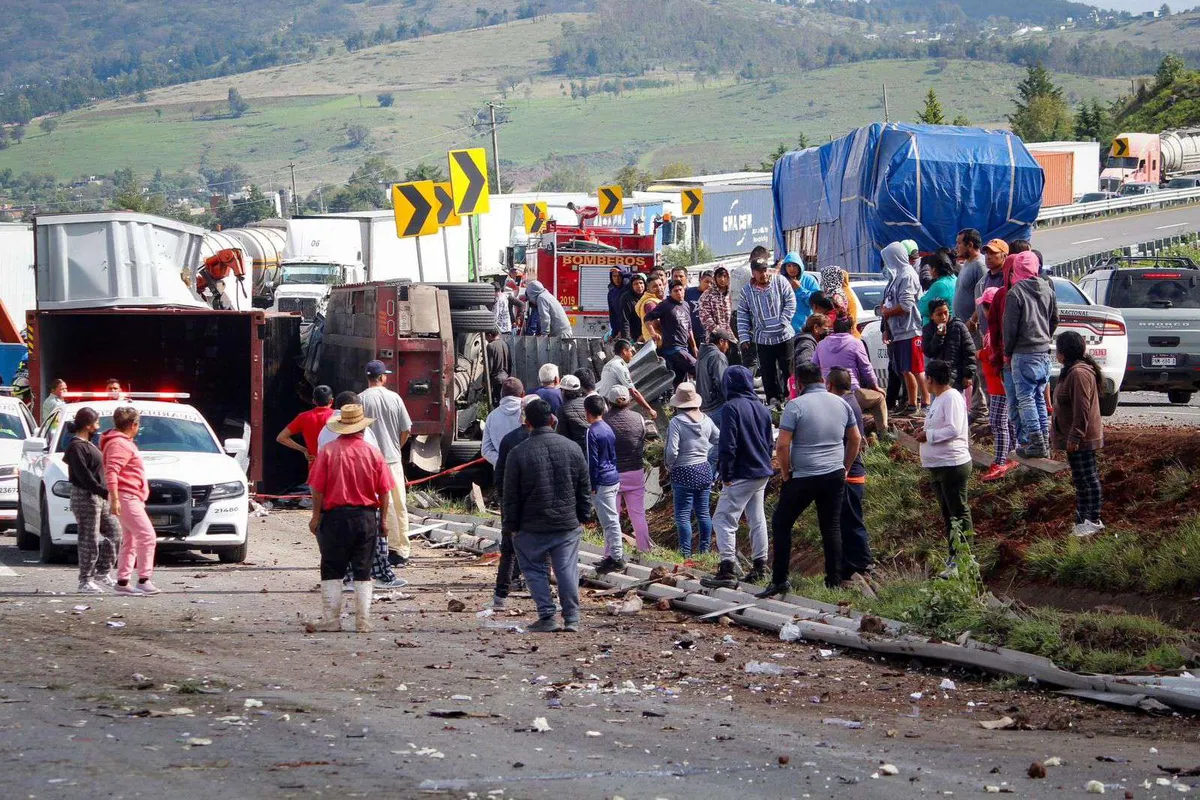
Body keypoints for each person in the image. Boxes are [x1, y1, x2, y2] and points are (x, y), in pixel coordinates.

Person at [758, 363, 861, 597]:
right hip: (834, 474)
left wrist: (785, 473)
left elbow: (782, 445)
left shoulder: (795, 406)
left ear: (799, 384)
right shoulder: (841, 403)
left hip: (804, 475)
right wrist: (845, 467)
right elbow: (855, 438)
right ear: (823, 380)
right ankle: (833, 581)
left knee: (782, 523)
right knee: (831, 526)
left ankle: (780, 579)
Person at [502, 398, 592, 633]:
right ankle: (572, 618)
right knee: (566, 569)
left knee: (534, 570)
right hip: (566, 524)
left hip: (530, 526)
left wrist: (511, 525)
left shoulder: (518, 453)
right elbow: (584, 485)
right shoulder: (573, 448)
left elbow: (510, 495)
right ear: (553, 420)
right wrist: (584, 515)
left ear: (526, 423)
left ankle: (547, 616)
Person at [307, 404, 395, 633]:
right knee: (363, 568)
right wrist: (383, 521)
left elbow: (317, 489)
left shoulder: (327, 452)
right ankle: (363, 621)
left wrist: (315, 516)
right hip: (366, 518)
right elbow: (385, 491)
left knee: (331, 567)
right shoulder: (373, 454)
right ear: (362, 429)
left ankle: (331, 619)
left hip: (334, 519)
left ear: (341, 428)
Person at [701, 365, 774, 589]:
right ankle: (760, 566)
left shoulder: (731, 407)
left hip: (741, 471)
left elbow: (728, 443)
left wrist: (726, 473)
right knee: (757, 518)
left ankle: (727, 569)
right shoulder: (761, 408)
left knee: (723, 519)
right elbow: (769, 441)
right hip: (761, 470)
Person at [915, 359, 972, 578]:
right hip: (939, 465)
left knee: (958, 513)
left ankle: (964, 558)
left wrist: (928, 435)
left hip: (952, 464)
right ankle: (954, 557)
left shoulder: (952, 397)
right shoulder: (939, 398)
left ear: (929, 379)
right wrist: (925, 429)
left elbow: (954, 429)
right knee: (949, 514)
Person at [1002, 250, 1058, 459]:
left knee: (1025, 399)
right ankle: (1044, 440)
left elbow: (1010, 329)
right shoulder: (1047, 288)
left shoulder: (1015, 293)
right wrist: (1045, 337)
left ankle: (1035, 441)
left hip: (1023, 353)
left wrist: (1008, 351)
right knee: (1039, 399)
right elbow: (1054, 319)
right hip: (1043, 352)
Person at [359, 360, 413, 568]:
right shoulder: (395, 398)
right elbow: (406, 429)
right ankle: (401, 549)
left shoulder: (361, 399)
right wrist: (396, 447)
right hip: (391, 459)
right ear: (382, 378)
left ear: (368, 378)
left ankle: (379, 548)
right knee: (398, 504)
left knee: (375, 507)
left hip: (369, 461)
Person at [1052, 331, 1105, 537]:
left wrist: (1075, 436)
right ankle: (1083, 520)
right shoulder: (1071, 371)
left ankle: (1093, 520)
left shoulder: (1079, 374)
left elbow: (1081, 409)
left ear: (1063, 354)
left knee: (1088, 479)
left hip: (1081, 439)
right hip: (1074, 439)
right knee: (1080, 480)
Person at [103, 406, 160, 596]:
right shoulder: (120, 444)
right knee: (147, 536)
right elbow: (112, 472)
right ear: (134, 425)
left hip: (128, 495)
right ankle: (144, 579)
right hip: (126, 495)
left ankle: (123, 580)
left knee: (132, 538)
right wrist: (116, 499)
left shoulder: (120, 442)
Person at [490, 395, 539, 610]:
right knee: (540, 547)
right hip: (537, 501)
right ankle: (538, 591)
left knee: (509, 546)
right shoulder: (548, 439)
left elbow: (499, 475)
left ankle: (502, 594)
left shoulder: (509, 440)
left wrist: (503, 499)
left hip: (512, 501)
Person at [663, 383, 720, 559]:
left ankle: (686, 553)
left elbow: (672, 451)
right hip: (703, 469)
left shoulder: (677, 422)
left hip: (683, 471)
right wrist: (711, 459)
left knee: (683, 515)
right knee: (703, 512)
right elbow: (719, 440)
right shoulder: (706, 419)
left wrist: (669, 466)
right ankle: (705, 551)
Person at [66, 407, 119, 594]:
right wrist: (105, 492)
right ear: (88, 425)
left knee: (115, 531)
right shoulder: (76, 447)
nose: (98, 426)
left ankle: (103, 572)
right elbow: (84, 476)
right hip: (85, 497)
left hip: (98, 496)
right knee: (89, 538)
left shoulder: (89, 444)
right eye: (96, 422)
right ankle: (85, 580)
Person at [826, 367, 873, 579]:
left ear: (830, 385)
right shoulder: (851, 401)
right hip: (851, 471)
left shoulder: (843, 405)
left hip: (850, 473)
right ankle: (851, 562)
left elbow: (856, 440)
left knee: (852, 520)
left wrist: (844, 467)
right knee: (846, 520)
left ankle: (861, 562)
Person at [736, 252, 797, 406]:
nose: (763, 274)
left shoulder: (780, 281)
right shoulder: (746, 291)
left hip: (784, 335)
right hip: (763, 338)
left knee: (787, 370)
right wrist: (744, 337)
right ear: (753, 272)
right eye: (759, 271)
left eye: (765, 270)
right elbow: (742, 315)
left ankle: (790, 398)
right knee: (767, 372)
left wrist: (783, 321)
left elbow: (791, 301)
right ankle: (773, 401)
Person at [812, 314, 888, 436]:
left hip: (827, 393)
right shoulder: (855, 343)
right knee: (879, 398)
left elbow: (813, 367)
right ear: (851, 329)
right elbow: (866, 368)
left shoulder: (821, 344)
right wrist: (875, 386)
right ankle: (883, 434)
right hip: (850, 393)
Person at [603, 385, 651, 553]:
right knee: (638, 514)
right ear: (629, 401)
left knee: (612, 516)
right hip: (635, 472)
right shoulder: (638, 418)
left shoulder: (603, 421)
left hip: (612, 474)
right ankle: (645, 550)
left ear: (608, 402)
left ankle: (611, 552)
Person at [878, 241, 924, 416]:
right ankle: (910, 402)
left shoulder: (907, 275)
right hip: (898, 331)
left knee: (913, 368)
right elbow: (889, 301)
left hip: (909, 329)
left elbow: (905, 305)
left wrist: (887, 312)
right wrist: (886, 322)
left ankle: (919, 403)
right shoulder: (897, 275)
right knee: (904, 369)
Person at [976, 289, 1017, 482]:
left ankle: (1001, 460)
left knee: (998, 423)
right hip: (998, 383)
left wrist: (981, 354)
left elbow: (994, 355)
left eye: (985, 307)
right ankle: (1011, 455)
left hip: (999, 384)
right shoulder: (997, 328)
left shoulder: (996, 331)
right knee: (1007, 421)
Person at [585, 395, 625, 574]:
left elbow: (591, 460)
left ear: (587, 412)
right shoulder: (608, 427)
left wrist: (592, 484)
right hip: (613, 475)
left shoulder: (591, 431)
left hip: (601, 479)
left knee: (610, 521)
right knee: (609, 519)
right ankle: (612, 555)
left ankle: (617, 558)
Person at [645, 279, 698, 386]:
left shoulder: (686, 305)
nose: (679, 293)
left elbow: (689, 328)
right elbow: (647, 319)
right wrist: (653, 333)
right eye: (675, 291)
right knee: (698, 368)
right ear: (670, 293)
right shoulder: (665, 305)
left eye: (680, 290)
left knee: (679, 383)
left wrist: (694, 347)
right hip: (673, 349)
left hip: (684, 348)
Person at [921, 299, 977, 396]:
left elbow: (970, 351)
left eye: (945, 313)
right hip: (937, 378)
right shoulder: (928, 329)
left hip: (956, 377)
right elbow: (929, 352)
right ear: (932, 316)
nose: (943, 317)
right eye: (939, 314)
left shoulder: (958, 326)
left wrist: (968, 375)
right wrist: (939, 336)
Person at [276, 385, 335, 470]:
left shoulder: (303, 417)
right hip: (335, 468)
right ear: (332, 400)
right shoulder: (338, 416)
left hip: (315, 469)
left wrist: (304, 450)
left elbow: (281, 437)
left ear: (314, 401)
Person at [596, 339, 657, 419]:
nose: (632, 354)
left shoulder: (609, 364)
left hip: (603, 403)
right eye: (630, 351)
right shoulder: (620, 367)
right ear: (624, 351)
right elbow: (633, 392)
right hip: (611, 406)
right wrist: (649, 409)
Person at [482, 377, 525, 468]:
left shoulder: (492, 417)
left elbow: (485, 450)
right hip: (526, 469)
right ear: (523, 394)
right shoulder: (528, 413)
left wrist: (502, 461)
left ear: (502, 394)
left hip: (502, 472)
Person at [696, 328, 734, 430]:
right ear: (721, 341)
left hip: (704, 409)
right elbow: (723, 383)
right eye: (727, 343)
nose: (728, 347)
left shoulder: (702, 355)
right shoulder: (718, 356)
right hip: (717, 408)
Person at [782, 253, 820, 336]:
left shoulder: (809, 280)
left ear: (800, 266)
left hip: (806, 329)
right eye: (788, 265)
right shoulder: (781, 281)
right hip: (786, 331)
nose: (791, 269)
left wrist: (800, 289)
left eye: (795, 265)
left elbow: (816, 303)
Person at [917, 251, 957, 325]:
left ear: (934, 269)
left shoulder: (940, 285)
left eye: (929, 267)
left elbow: (923, 308)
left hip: (938, 329)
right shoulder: (953, 278)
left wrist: (922, 299)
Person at [555, 374, 589, 451]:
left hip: (575, 449)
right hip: (592, 445)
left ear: (563, 391)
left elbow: (562, 436)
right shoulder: (588, 402)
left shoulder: (561, 410)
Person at [698, 266, 732, 340]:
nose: (722, 279)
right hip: (714, 338)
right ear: (714, 278)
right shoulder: (707, 295)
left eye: (725, 276)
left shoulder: (731, 294)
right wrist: (718, 332)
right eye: (719, 276)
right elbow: (705, 317)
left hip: (731, 337)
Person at [636, 275, 666, 344]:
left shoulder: (656, 300)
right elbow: (655, 323)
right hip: (658, 342)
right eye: (655, 286)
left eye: (660, 285)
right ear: (648, 289)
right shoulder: (650, 303)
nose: (659, 288)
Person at [619, 274, 646, 343]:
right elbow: (625, 320)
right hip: (635, 335)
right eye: (635, 284)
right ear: (631, 286)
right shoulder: (626, 298)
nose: (639, 286)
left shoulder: (648, 295)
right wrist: (626, 340)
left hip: (649, 333)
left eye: (641, 283)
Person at [485, 330, 510, 402]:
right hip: (505, 378)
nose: (486, 339)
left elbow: (489, 366)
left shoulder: (490, 345)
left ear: (489, 335)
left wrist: (484, 380)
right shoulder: (505, 344)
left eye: (486, 337)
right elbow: (510, 362)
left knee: (496, 404)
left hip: (496, 380)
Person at [606, 267, 626, 339]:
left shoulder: (628, 290)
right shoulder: (611, 293)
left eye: (619, 276)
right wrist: (614, 333)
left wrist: (623, 272)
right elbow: (612, 314)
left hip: (630, 330)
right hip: (617, 332)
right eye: (614, 276)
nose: (617, 279)